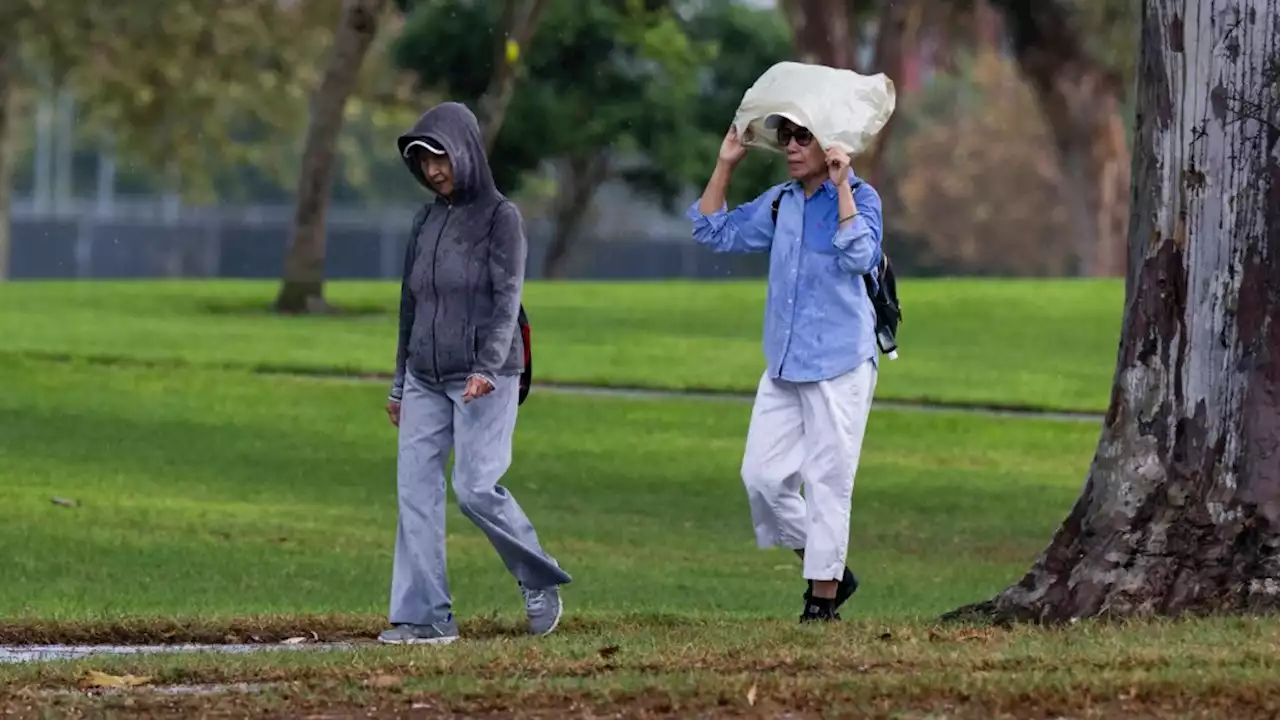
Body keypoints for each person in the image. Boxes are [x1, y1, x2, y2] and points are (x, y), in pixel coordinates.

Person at [380, 101, 572, 645]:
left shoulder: (500, 217)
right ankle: (427, 617)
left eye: (439, 157)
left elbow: (508, 297)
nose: (433, 171)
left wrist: (488, 367)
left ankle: (537, 575)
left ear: (464, 152)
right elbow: (409, 305)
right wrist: (399, 383)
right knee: (415, 491)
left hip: (486, 373)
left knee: (474, 487)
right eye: (422, 163)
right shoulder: (424, 220)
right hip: (424, 375)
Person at [686, 116, 883, 623]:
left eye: (802, 137)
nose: (790, 148)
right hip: (783, 363)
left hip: (839, 363)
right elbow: (711, 230)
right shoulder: (780, 202)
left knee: (827, 484)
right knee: (763, 481)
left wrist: (841, 189)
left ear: (828, 143)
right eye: (785, 138)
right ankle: (832, 571)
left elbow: (860, 254)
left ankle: (821, 601)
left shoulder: (863, 198)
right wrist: (725, 164)